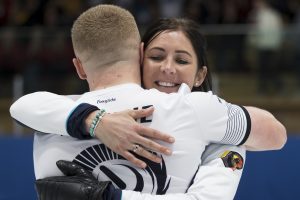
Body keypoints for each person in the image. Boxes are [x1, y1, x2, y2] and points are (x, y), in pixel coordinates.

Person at [10, 4, 286, 200]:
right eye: (157, 56)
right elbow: (273, 134)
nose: (168, 68)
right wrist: (98, 121)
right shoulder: (199, 113)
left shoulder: (48, 125)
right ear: (140, 54)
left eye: (181, 60)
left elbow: (22, 107)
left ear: (79, 67)